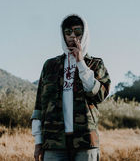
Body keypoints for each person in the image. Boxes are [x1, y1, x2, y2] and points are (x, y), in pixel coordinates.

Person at [31, 14, 111, 161]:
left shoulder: (95, 64)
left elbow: (99, 96)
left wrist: (81, 62)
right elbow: (39, 106)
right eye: (68, 32)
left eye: (78, 32)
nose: (73, 36)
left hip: (85, 141)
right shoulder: (50, 66)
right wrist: (38, 141)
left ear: (84, 34)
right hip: (53, 142)